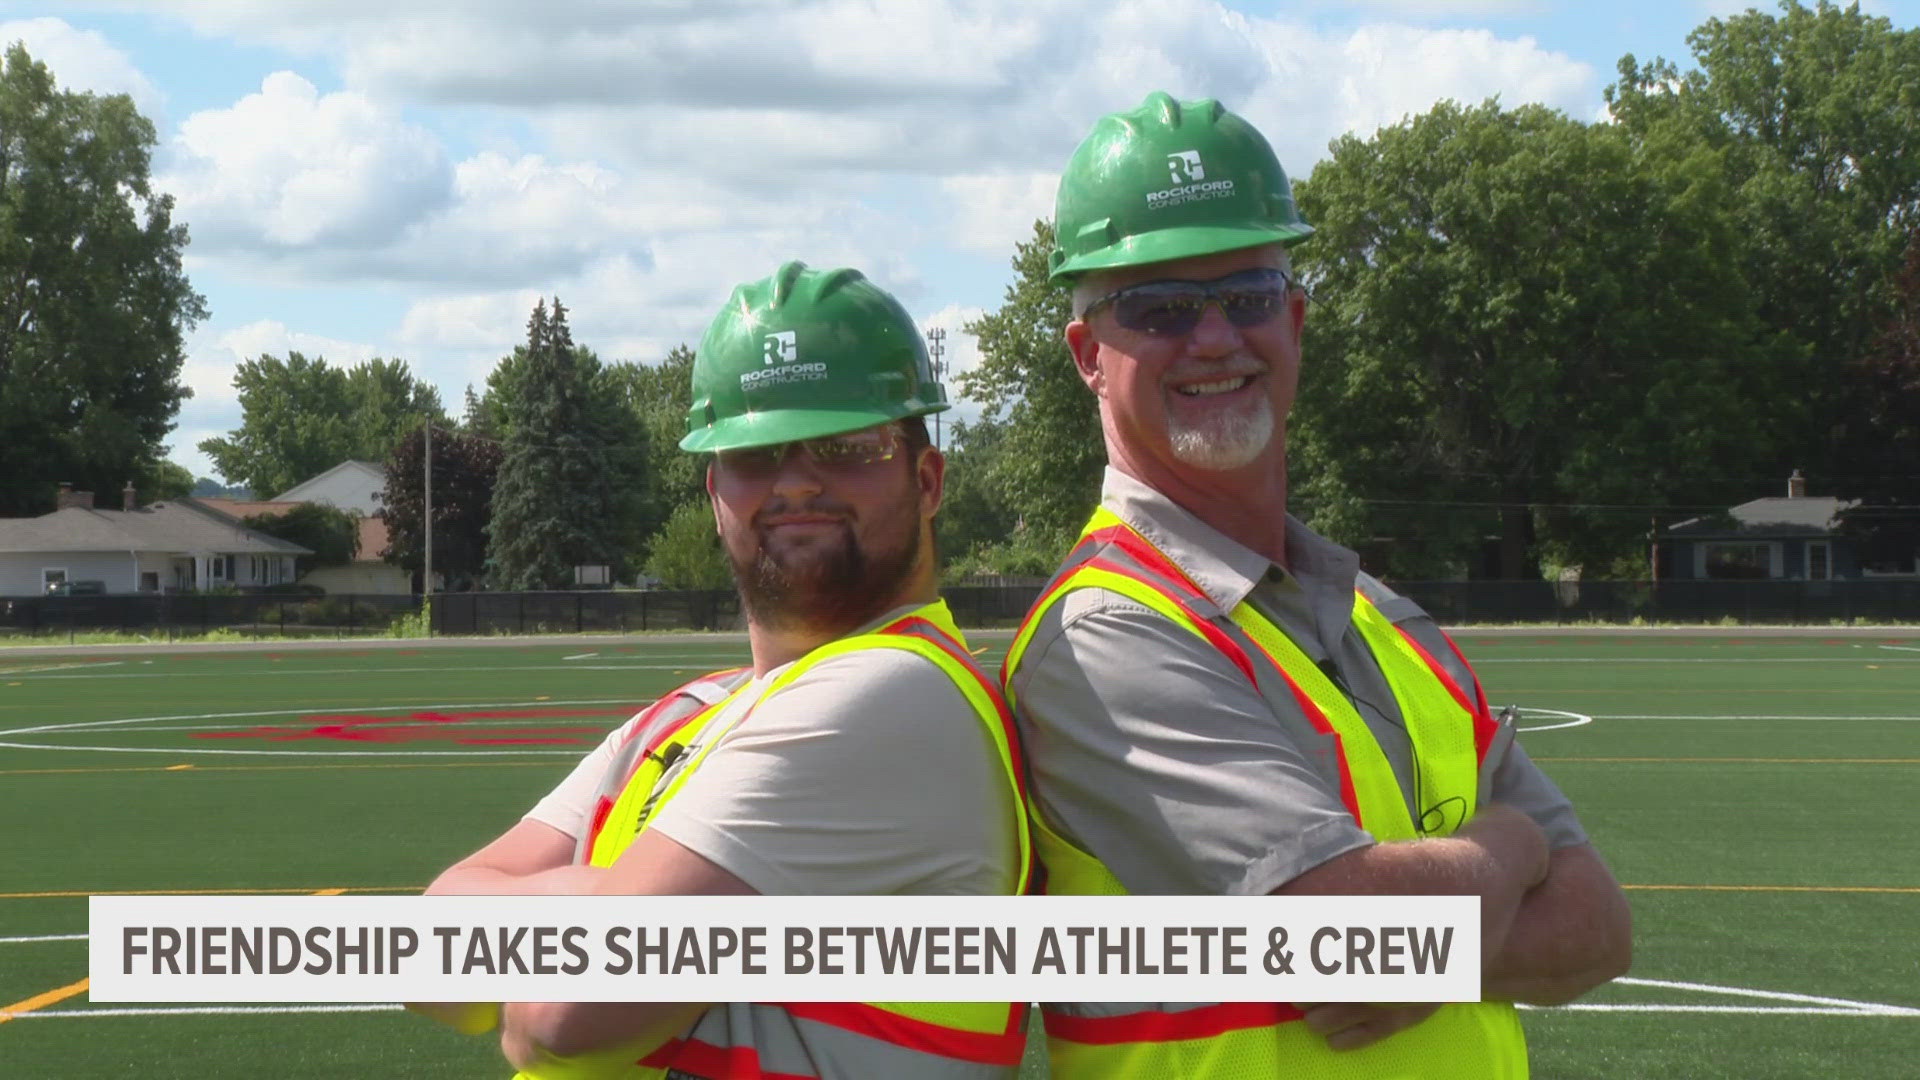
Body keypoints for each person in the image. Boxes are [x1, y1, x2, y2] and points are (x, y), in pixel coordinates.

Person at [1002, 92, 1633, 1078]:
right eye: (1160, 308)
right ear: (1090, 354)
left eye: (1247, 295)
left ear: (1292, 320)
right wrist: (1509, 850)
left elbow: (1598, 931)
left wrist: (1424, 938)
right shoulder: (1108, 636)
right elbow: (1357, 949)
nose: (1214, 337)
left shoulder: (1384, 614)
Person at [413, 262, 1032, 1079]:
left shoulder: (894, 693)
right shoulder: (690, 711)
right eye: (756, 452)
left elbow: (570, 1012)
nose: (799, 479)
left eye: (848, 445)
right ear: (714, 490)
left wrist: (538, 979)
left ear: (927, 479)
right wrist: (619, 909)